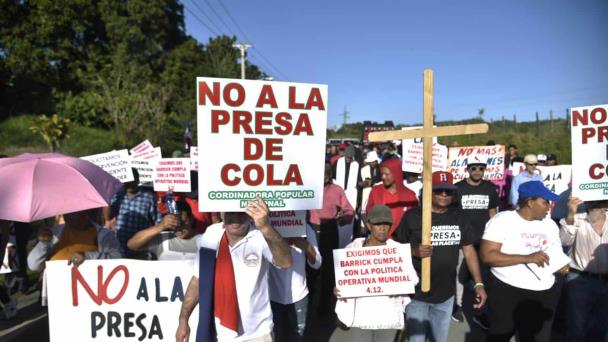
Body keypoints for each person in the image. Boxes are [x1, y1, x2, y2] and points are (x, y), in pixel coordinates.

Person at [175, 198, 292, 342]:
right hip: (219, 334)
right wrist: (183, 319)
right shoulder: (211, 235)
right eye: (231, 212)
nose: (236, 217)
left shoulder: (261, 235)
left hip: (257, 334)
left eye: (241, 212)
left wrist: (266, 227)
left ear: (249, 214)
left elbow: (286, 262)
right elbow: (198, 281)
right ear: (222, 214)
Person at [395, 171, 487, 342]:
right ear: (429, 192)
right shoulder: (413, 217)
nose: (444, 195)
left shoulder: (460, 216)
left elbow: (469, 251)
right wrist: (414, 252)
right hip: (416, 296)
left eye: (448, 191)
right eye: (438, 190)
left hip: (446, 296)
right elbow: (395, 250)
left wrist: (479, 283)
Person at [480, 181, 569, 341]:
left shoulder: (550, 224)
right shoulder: (503, 220)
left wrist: (561, 264)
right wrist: (527, 258)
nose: (549, 206)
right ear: (529, 202)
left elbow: (555, 251)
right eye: (545, 202)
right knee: (500, 335)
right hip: (507, 290)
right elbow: (488, 255)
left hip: (544, 292)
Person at [334, 205, 418, 341]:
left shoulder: (397, 250)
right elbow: (343, 279)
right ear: (368, 225)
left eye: (386, 224)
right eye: (378, 224)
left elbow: (413, 279)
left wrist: (399, 285)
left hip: (387, 317)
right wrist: (337, 289)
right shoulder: (353, 248)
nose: (383, 228)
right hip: (360, 317)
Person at [452, 157, 499, 326]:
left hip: (484, 240)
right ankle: (457, 306)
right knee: (459, 274)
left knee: (484, 276)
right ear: (468, 170)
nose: (478, 171)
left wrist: (495, 237)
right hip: (462, 240)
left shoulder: (490, 189)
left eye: (481, 168)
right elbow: (452, 213)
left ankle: (481, 311)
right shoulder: (457, 188)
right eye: (474, 168)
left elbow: (493, 212)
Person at [308, 163, 354, 320]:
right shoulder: (307, 187)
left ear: (329, 175)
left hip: (329, 230)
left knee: (328, 271)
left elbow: (349, 211)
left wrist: (343, 219)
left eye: (326, 173)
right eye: (321, 173)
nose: (323, 176)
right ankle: (307, 305)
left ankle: (324, 308)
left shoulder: (337, 190)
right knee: (310, 270)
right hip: (311, 230)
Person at [559, 197, 608, 341]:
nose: (597, 205)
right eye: (594, 202)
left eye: (601, 201)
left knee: (601, 326)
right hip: (580, 280)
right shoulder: (576, 219)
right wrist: (570, 214)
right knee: (576, 327)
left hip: (606, 281)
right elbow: (563, 241)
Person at [268, 224, 321, 342]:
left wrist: (306, 246)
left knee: (296, 338)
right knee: (277, 337)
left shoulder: (306, 228)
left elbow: (317, 263)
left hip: (299, 297)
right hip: (273, 297)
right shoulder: (268, 226)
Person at [105, 169, 161, 258]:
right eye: (128, 179)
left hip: (140, 248)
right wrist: (107, 197)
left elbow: (157, 222)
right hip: (118, 247)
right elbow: (107, 217)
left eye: (133, 179)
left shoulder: (149, 197)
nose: (130, 182)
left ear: (138, 180)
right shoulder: (117, 195)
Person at [127, 200, 198, 260]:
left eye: (182, 223)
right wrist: (160, 226)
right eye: (174, 224)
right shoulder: (164, 240)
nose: (179, 228)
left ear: (191, 219)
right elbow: (132, 245)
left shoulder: (203, 240)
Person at [366, 158, 418, 238]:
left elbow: (414, 221)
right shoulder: (376, 191)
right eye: (382, 174)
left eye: (387, 174)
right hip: (379, 240)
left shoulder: (410, 195)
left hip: (402, 242)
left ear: (396, 173)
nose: (383, 177)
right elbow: (368, 213)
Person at [333, 145, 360, 247]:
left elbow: (357, 182)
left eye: (350, 157)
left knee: (349, 221)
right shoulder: (338, 162)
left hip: (351, 196)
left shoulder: (356, 164)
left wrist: (357, 199)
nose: (349, 159)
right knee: (338, 218)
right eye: (347, 157)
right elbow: (333, 177)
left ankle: (347, 244)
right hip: (338, 194)